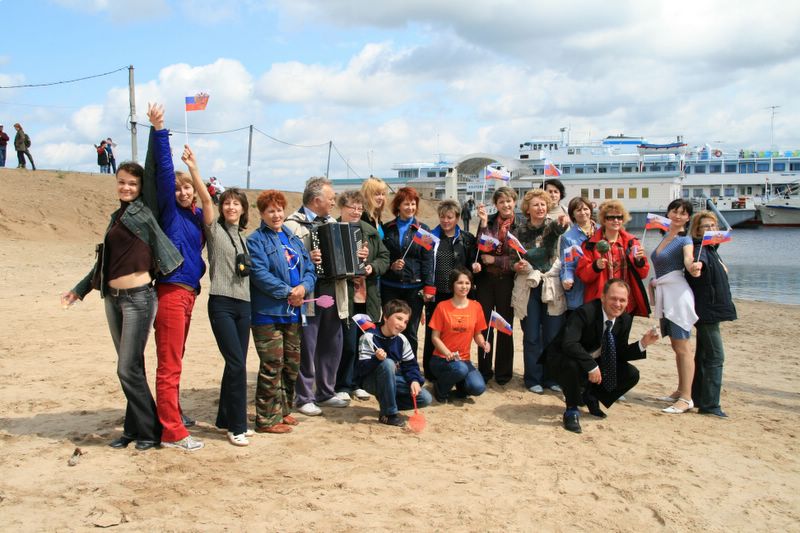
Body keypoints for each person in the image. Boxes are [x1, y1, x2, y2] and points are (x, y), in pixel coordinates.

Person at [62, 161, 183, 451]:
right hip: (112, 299)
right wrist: (79, 290)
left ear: (141, 187)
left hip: (139, 299)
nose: (126, 187)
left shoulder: (145, 211)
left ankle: (150, 430)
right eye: (122, 182)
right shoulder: (116, 217)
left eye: (132, 183)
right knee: (133, 367)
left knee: (126, 369)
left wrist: (159, 135)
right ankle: (132, 429)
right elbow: (103, 263)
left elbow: (156, 168)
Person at [146, 103, 207, 451]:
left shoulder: (197, 217)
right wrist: (159, 131)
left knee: (176, 360)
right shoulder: (169, 213)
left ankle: (174, 414)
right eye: (179, 189)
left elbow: (208, 204)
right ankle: (172, 432)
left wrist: (195, 170)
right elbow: (165, 172)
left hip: (189, 295)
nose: (183, 193)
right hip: (170, 293)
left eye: (188, 189)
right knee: (169, 365)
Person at [184, 148, 253, 445]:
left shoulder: (244, 238)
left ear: (243, 209)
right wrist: (194, 169)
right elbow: (204, 199)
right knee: (237, 364)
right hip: (222, 303)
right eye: (227, 202)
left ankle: (225, 418)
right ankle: (237, 426)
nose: (231, 207)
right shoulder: (215, 230)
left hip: (244, 304)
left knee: (235, 363)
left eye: (236, 203)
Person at [544, 279, 660, 434]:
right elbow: (569, 343)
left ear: (627, 302)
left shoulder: (624, 319)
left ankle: (591, 396)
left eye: (622, 300)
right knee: (572, 365)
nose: (618, 304)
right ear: (603, 297)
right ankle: (571, 410)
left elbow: (620, 352)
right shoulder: (585, 312)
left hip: (593, 361)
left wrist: (643, 343)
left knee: (632, 374)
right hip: (563, 360)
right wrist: (591, 366)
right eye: (613, 298)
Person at [248, 190, 317, 433]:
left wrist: (303, 288)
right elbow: (259, 274)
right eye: (271, 211)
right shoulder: (255, 240)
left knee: (291, 364)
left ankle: (284, 410)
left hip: (294, 312)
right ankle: (266, 419)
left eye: (279, 210)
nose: (276, 215)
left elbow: (310, 269)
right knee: (272, 364)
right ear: (262, 214)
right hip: (268, 313)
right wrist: (289, 291)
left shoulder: (292, 238)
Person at [284, 176, 350, 416]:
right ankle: (304, 397)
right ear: (316, 200)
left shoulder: (333, 222)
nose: (333, 202)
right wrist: (307, 258)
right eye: (331, 198)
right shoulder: (292, 224)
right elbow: (285, 261)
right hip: (309, 295)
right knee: (307, 347)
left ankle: (326, 391)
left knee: (332, 344)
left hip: (334, 292)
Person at [512, 189, 570, 394]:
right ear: (527, 209)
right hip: (529, 285)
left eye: (543, 204)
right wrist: (516, 265)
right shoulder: (519, 231)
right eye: (535, 205)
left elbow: (558, 230)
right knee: (532, 335)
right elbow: (513, 257)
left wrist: (562, 223)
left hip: (551, 285)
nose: (540, 208)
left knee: (553, 334)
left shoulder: (551, 226)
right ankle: (532, 378)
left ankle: (551, 377)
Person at [334, 190, 390, 402]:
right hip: (344, 296)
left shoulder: (370, 231)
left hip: (367, 297)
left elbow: (384, 257)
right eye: (352, 208)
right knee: (347, 344)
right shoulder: (332, 228)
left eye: (360, 208)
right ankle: (342, 384)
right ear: (342, 207)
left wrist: (371, 267)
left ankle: (358, 384)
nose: (357, 212)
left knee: (363, 342)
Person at [650, 199, 703, 414]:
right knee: (676, 346)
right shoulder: (665, 237)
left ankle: (686, 398)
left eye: (683, 213)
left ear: (688, 218)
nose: (678, 216)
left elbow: (689, 260)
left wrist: (693, 267)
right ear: (668, 213)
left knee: (683, 348)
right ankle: (681, 389)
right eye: (675, 211)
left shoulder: (684, 240)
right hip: (666, 293)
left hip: (677, 295)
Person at [421, 199, 480, 380]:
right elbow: (425, 263)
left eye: (450, 217)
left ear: (457, 218)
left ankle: (456, 368)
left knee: (456, 331)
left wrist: (475, 266)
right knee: (433, 332)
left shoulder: (466, 239)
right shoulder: (430, 236)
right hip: (436, 293)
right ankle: (431, 373)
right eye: (442, 217)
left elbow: (472, 261)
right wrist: (427, 287)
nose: (445, 221)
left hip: (458, 295)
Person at [687, 211, 736, 418]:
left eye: (713, 226)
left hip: (711, 309)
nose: (711, 229)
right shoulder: (700, 248)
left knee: (704, 355)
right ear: (698, 230)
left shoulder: (712, 249)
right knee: (716, 356)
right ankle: (710, 405)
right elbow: (699, 262)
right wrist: (697, 266)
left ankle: (698, 397)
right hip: (707, 311)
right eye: (706, 226)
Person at [356, 299, 433, 427]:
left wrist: (414, 380)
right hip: (371, 381)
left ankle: (387, 403)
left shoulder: (402, 340)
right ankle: (389, 414)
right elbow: (361, 370)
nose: (402, 324)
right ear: (386, 317)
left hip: (395, 380)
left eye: (405, 321)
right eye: (399, 318)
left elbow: (411, 365)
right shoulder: (368, 337)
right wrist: (376, 359)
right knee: (388, 363)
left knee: (425, 398)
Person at [475, 186, 524, 385]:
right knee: (485, 326)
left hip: (507, 281)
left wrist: (494, 260)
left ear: (514, 202)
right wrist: (483, 223)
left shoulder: (520, 225)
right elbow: (480, 247)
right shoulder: (488, 221)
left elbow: (518, 258)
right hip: (486, 281)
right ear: (495, 204)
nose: (505, 205)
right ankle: (485, 370)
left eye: (509, 201)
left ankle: (503, 373)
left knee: (505, 326)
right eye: (501, 201)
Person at [381, 186, 434, 358]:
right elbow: (382, 256)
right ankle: (389, 364)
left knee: (410, 331)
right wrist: (391, 265)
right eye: (406, 204)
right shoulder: (386, 228)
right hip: (390, 287)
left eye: (413, 204)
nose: (410, 207)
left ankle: (408, 365)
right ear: (398, 205)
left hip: (414, 289)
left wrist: (429, 287)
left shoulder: (423, 230)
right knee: (389, 328)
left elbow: (428, 260)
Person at [577, 199, 650, 317]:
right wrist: (595, 266)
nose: (616, 220)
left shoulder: (632, 243)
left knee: (623, 329)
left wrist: (639, 261)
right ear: (604, 220)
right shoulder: (590, 245)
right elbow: (583, 275)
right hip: (601, 302)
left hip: (625, 303)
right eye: (611, 217)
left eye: (619, 217)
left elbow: (643, 274)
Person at [428, 268, 490, 402]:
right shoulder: (442, 306)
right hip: (442, 359)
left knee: (478, 387)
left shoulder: (476, 307)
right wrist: (447, 353)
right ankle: (440, 389)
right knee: (460, 369)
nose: (464, 286)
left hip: (464, 360)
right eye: (460, 283)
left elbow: (478, 334)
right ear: (453, 285)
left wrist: (483, 343)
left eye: (467, 283)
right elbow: (434, 337)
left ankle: (460, 385)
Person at [559, 197, 597, 312]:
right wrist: (567, 279)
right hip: (579, 287)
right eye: (578, 210)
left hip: (599, 286)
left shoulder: (602, 231)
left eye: (585, 209)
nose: (583, 212)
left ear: (590, 210)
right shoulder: (568, 237)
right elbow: (567, 265)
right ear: (573, 214)